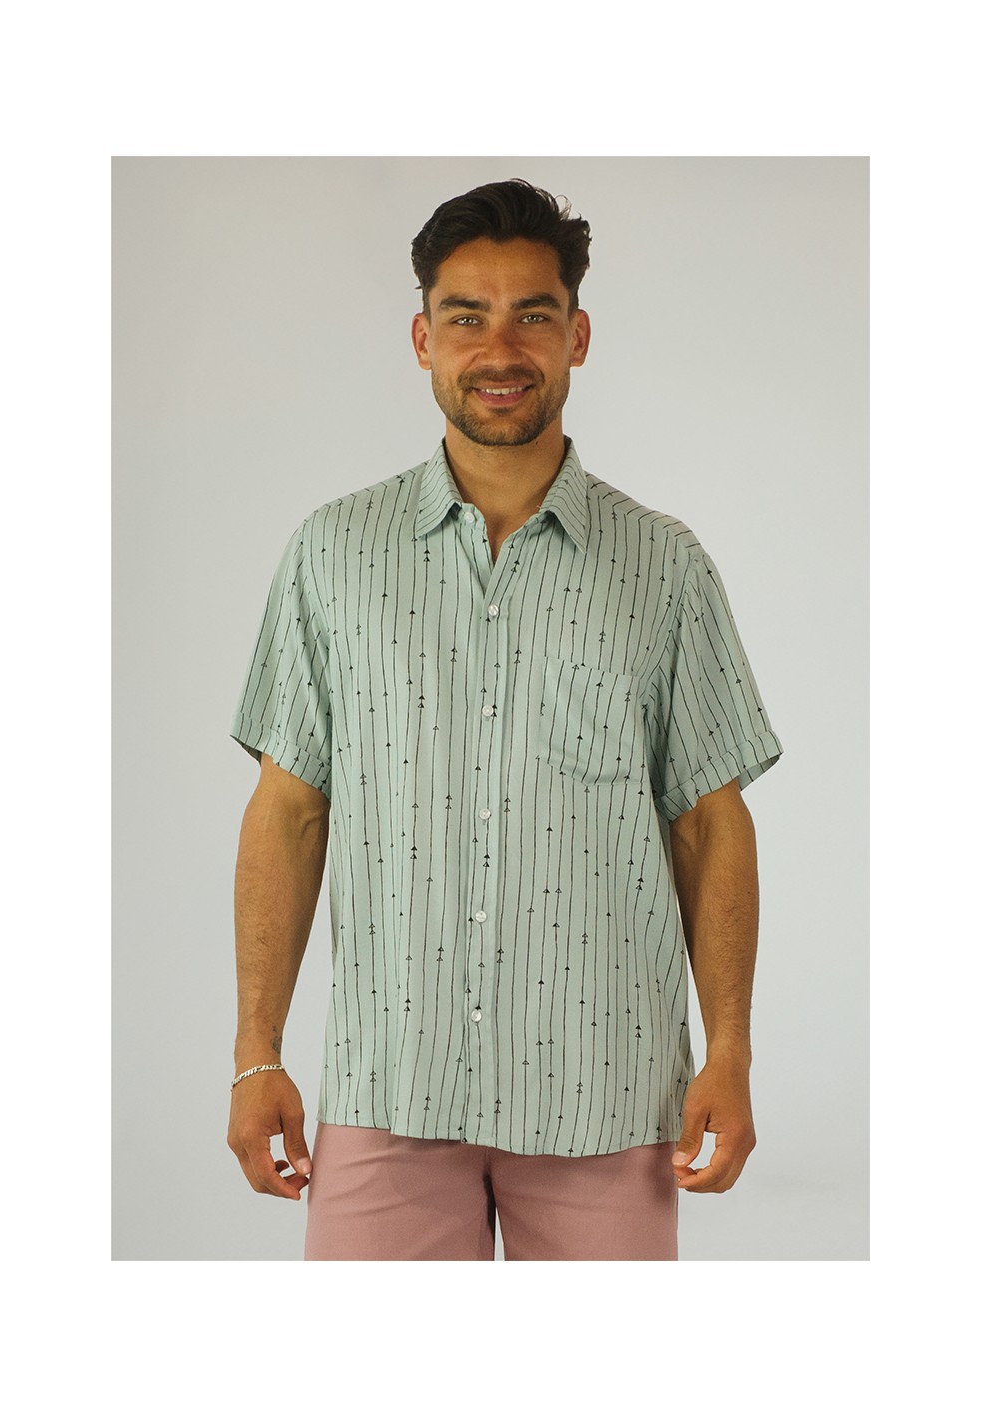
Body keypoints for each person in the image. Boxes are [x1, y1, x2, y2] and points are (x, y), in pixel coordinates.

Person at [226, 178, 784, 1261]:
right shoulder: (332, 553)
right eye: (466, 316)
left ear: (577, 335)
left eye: (532, 313)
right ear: (422, 340)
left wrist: (731, 1051)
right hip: (388, 1090)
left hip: (606, 1101)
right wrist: (257, 1051)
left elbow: (710, 824)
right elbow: (288, 812)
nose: (500, 349)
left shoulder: (664, 567)